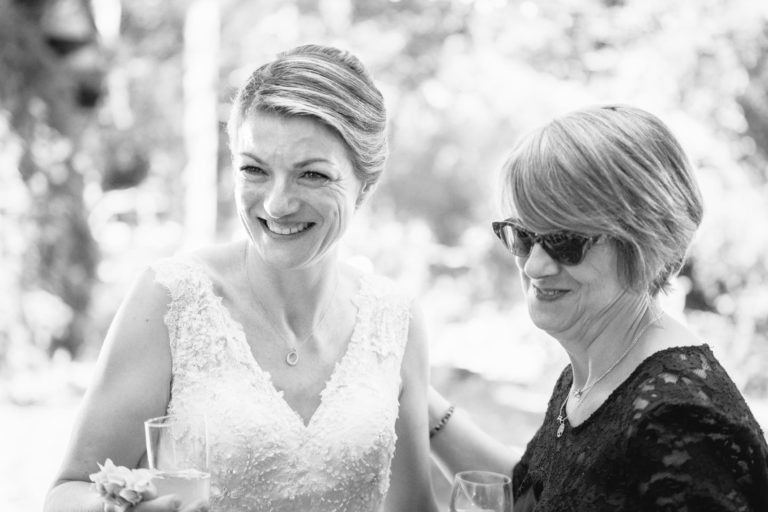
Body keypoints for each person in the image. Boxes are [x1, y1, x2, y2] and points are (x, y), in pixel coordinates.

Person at [45, 44, 438, 512]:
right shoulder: (171, 299)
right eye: (254, 169)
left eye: (311, 175)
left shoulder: (396, 318)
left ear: (365, 185)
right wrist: (112, 510)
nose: (276, 204)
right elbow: (68, 491)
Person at [428, 105, 768, 510]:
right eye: (522, 235)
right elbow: (537, 496)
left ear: (646, 245)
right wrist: (417, 396)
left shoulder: (680, 423)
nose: (534, 265)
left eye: (565, 241)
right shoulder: (595, 372)